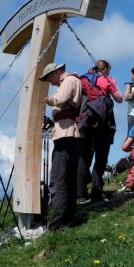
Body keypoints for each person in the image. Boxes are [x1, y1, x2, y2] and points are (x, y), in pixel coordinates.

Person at [40, 62, 84, 230]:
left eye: (49, 78)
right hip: (71, 134)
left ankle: (58, 222)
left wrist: (47, 99)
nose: (50, 83)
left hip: (67, 135)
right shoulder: (73, 80)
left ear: (56, 72)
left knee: (59, 179)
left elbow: (60, 99)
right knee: (69, 179)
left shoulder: (69, 80)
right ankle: (68, 218)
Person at [76, 59, 123, 204]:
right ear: (106, 69)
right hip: (103, 122)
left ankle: (81, 194)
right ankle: (96, 192)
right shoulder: (107, 80)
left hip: (85, 121)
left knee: (84, 157)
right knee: (101, 157)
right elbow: (119, 98)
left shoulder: (82, 79)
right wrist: (112, 83)